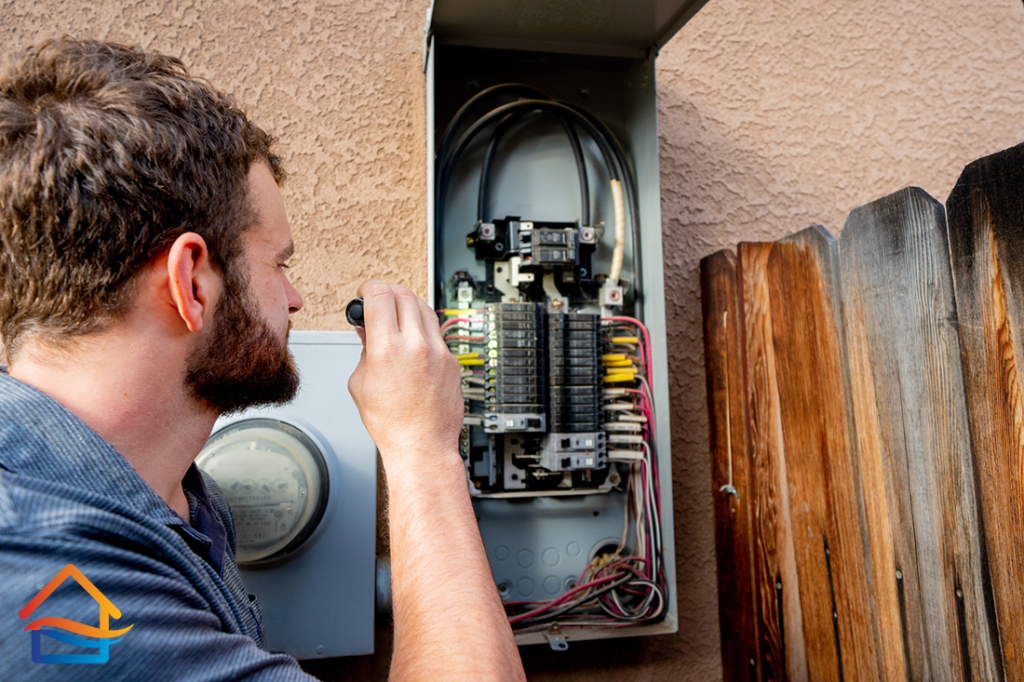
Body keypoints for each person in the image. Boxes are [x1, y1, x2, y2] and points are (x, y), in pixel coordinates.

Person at [0, 38, 525, 681]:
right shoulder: (51, 580)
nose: (296, 299)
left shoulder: (176, 492)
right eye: (279, 264)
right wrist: (423, 450)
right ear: (191, 282)